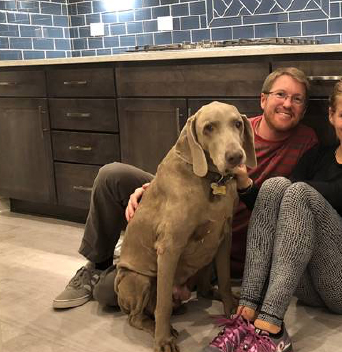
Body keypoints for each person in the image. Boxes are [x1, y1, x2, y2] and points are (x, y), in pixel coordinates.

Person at [189, 75, 342, 352]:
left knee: (295, 191)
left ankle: (271, 329)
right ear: (331, 116)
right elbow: (275, 202)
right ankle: (247, 314)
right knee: (277, 186)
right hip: (308, 288)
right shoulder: (316, 155)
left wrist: (283, 192)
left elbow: (340, 192)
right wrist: (248, 185)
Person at [52, 67, 318, 310]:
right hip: (188, 204)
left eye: (297, 99)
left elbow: (285, 211)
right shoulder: (236, 123)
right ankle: (96, 265)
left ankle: (140, 257)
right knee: (112, 176)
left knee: (109, 294)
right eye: (280, 94)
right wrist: (154, 189)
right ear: (263, 99)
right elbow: (183, 165)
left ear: (304, 110)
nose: (287, 104)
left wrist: (245, 184)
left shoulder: (306, 143)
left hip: (217, 239)